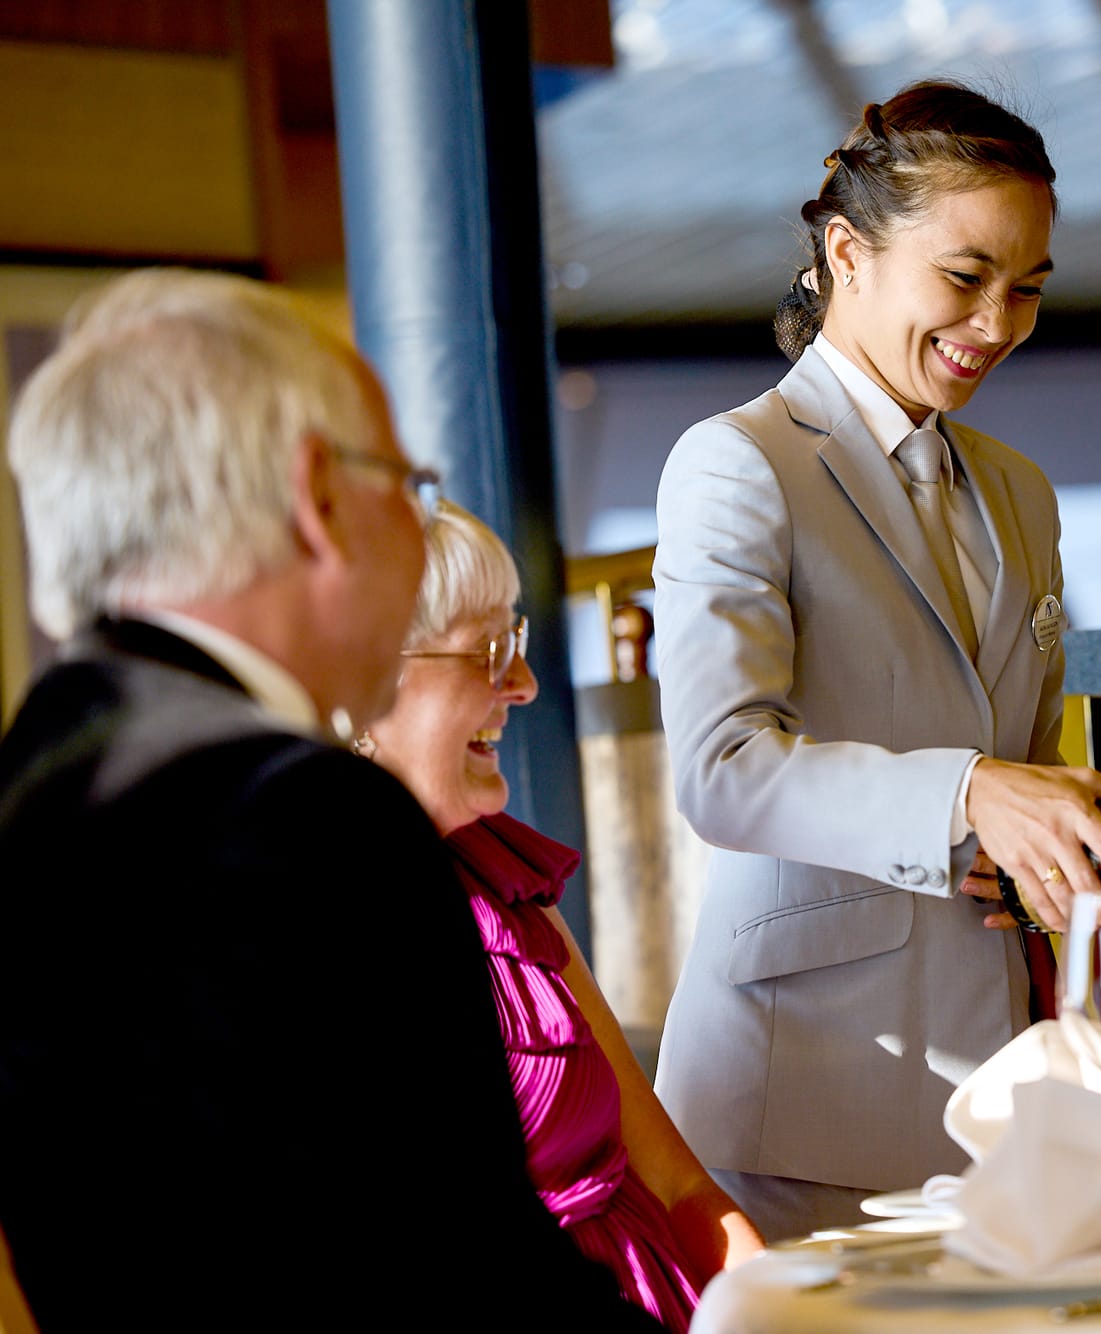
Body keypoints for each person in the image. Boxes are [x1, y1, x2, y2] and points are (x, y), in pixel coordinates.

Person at [0, 269, 653, 1329]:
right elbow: (469, 1263)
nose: (412, 525)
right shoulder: (304, 811)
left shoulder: (38, 771)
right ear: (319, 497)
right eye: (406, 482)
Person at [650, 78, 1101, 1241]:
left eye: (1026, 289)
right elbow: (721, 767)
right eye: (965, 278)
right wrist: (967, 790)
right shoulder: (735, 462)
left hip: (1004, 1104)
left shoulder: (1019, 490)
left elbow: (1025, 776)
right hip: (794, 1106)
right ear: (847, 253)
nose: (998, 322)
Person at [358, 502, 763, 1326]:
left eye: (518, 644)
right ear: (366, 675)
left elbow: (674, 1181)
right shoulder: (315, 919)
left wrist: (784, 1307)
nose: (526, 684)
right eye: (487, 652)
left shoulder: (508, 884)